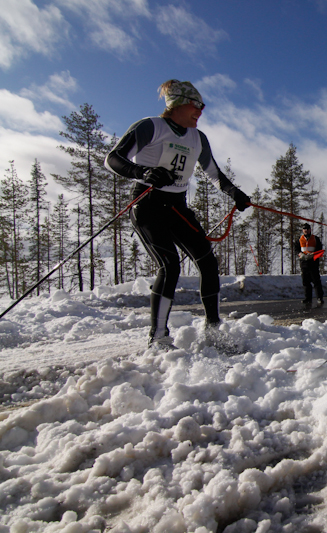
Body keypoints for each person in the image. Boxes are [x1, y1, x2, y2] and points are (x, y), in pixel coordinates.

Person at [105, 79, 251, 347]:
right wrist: (144, 172)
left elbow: (215, 174)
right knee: (169, 265)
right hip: (148, 203)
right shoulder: (151, 126)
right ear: (177, 105)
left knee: (207, 262)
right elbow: (113, 158)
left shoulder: (198, 138)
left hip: (177, 207)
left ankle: (213, 331)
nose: (200, 111)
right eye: (196, 105)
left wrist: (235, 193)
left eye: (203, 106)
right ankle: (158, 337)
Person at [298, 223, 324, 307]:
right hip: (303, 262)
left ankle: (319, 297)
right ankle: (307, 298)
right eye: (304, 229)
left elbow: (319, 248)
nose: (306, 230)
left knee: (316, 281)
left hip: (313, 262)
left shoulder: (315, 238)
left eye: (307, 229)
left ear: (310, 230)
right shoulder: (300, 239)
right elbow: (296, 248)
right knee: (306, 282)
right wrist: (300, 254)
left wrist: (313, 254)